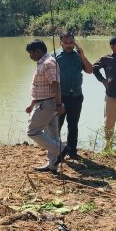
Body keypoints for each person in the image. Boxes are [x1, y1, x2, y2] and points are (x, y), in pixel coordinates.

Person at [26, 39, 68, 171]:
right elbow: (41, 86)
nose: (30, 56)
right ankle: (52, 165)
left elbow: (55, 85)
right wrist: (32, 104)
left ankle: (61, 149)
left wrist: (59, 104)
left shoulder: (48, 63)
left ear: (38, 51)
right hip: (44, 102)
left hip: (47, 104)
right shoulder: (43, 62)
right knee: (52, 135)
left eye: (31, 53)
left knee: (32, 131)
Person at [56, 33, 93, 160]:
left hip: (76, 96)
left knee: (73, 125)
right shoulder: (54, 56)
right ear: (60, 43)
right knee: (57, 125)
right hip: (61, 96)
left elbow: (90, 70)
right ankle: (56, 151)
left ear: (74, 42)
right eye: (66, 42)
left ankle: (72, 151)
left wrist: (82, 55)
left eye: (71, 42)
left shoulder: (78, 55)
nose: (69, 45)